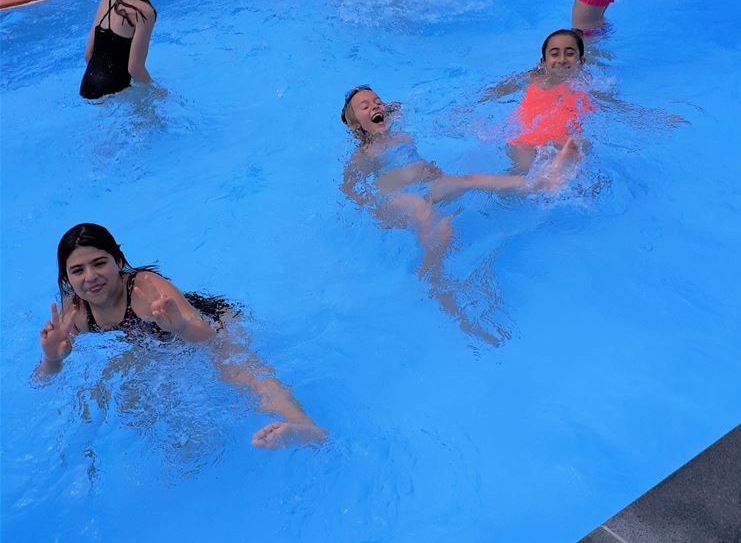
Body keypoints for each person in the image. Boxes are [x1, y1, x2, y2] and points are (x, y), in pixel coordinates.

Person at [38, 224, 326, 450]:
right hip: (156, 341)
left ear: (119, 261)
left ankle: (304, 426)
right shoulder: (75, 312)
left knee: (233, 363)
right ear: (66, 279)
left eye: (99, 263)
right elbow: (41, 380)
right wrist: (52, 359)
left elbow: (206, 333)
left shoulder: (145, 288)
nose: (90, 276)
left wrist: (179, 327)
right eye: (77, 270)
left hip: (211, 320)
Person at [341, 86, 579, 342]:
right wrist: (377, 205)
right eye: (365, 106)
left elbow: (419, 160)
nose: (375, 106)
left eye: (377, 101)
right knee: (423, 211)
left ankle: (542, 182)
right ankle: (433, 277)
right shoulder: (364, 154)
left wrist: (437, 174)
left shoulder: (402, 136)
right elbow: (349, 187)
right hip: (396, 196)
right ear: (357, 125)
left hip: (426, 185)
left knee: (469, 179)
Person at [485, 30, 594, 170]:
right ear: (543, 62)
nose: (562, 60)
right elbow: (497, 91)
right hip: (524, 143)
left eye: (570, 54)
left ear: (581, 61)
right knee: (527, 172)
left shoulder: (588, 86)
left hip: (563, 144)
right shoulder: (533, 79)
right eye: (554, 54)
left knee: (583, 143)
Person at [79, 0, 157, 100]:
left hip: (87, 86)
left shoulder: (104, 2)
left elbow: (88, 55)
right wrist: (156, 91)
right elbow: (135, 69)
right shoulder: (143, 12)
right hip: (112, 90)